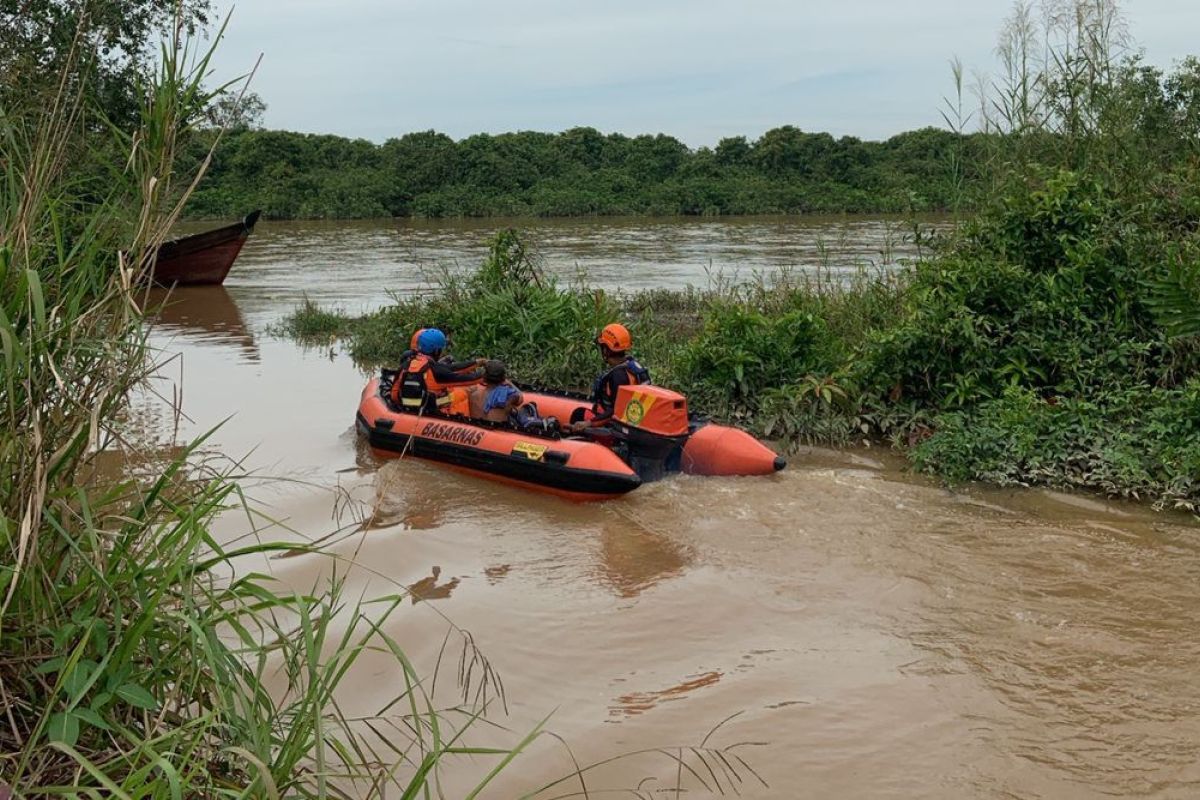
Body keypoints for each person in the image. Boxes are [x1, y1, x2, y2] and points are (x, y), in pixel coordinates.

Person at [570, 323, 650, 432]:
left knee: (579, 414)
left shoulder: (617, 376)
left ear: (606, 350)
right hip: (635, 424)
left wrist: (589, 423)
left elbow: (616, 411)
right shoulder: (634, 368)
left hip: (616, 429)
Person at [394, 328, 485, 415]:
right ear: (436, 351)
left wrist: (476, 363)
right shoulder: (435, 371)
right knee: (462, 393)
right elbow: (467, 379)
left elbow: (394, 394)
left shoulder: (406, 365)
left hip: (408, 409)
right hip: (431, 411)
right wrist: (488, 375)